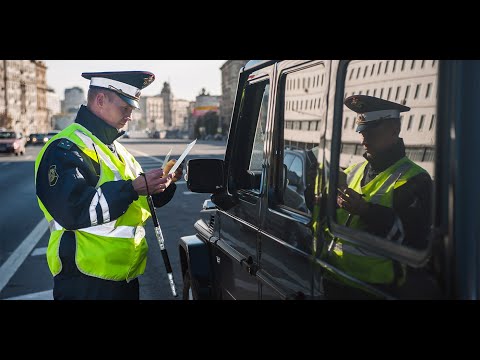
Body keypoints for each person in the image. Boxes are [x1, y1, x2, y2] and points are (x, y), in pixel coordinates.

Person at [34, 71, 183, 300]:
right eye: (125, 108)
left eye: (132, 110)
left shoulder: (116, 149)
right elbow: (74, 210)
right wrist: (133, 188)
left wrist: (163, 183)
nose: (130, 116)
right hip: (85, 280)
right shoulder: (65, 148)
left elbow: (141, 201)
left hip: (123, 277)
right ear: (100, 100)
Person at [323, 95, 434, 298]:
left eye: (371, 131)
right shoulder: (353, 171)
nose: (363, 139)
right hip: (335, 279)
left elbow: (414, 245)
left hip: (376, 291)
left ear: (395, 130)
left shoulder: (416, 180)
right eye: (362, 131)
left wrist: (365, 211)